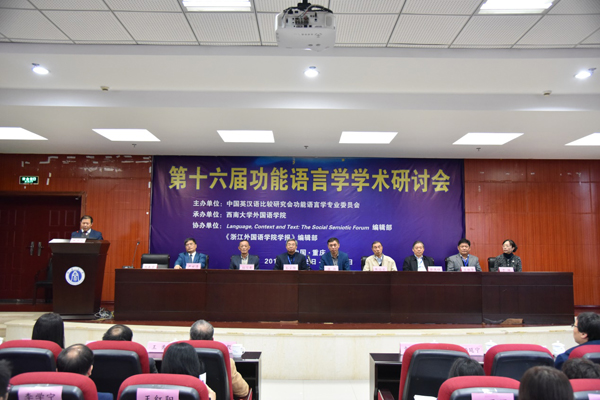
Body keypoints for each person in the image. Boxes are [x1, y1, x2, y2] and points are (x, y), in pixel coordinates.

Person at [189, 319, 249, 398]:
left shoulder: (179, 360)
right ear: (212, 340)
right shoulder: (226, 362)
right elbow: (243, 391)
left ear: (190, 339)